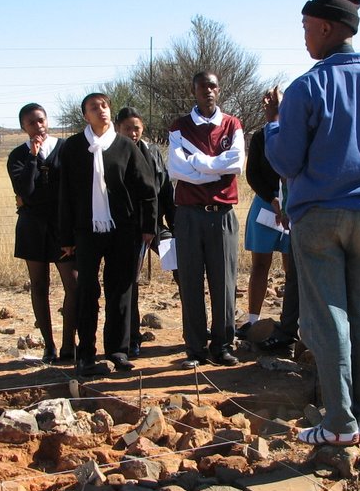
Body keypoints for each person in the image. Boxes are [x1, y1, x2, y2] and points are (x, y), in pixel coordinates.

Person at [264, 0, 360, 447]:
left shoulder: (309, 85)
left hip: (319, 219)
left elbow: (286, 160)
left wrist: (271, 126)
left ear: (327, 27)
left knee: (329, 320)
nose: (304, 37)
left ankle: (339, 424)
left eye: (307, 28)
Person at [58, 93, 156, 377]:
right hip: (86, 231)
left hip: (123, 230)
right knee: (87, 290)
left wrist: (148, 227)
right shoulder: (74, 147)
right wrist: (66, 237)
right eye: (93, 107)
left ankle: (118, 351)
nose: (101, 110)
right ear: (85, 116)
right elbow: (65, 193)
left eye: (104, 105)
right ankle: (86, 354)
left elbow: (146, 189)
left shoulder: (125, 146)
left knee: (121, 290)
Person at [168, 71, 246, 368]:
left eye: (212, 86)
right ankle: (195, 349)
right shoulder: (180, 127)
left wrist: (198, 164)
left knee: (224, 283)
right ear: (194, 90)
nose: (208, 91)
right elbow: (177, 170)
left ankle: (223, 345)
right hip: (188, 216)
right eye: (202, 86)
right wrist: (216, 167)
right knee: (190, 281)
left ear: (219, 89)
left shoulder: (232, 124)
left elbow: (236, 163)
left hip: (222, 215)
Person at [6, 103, 77, 363]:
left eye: (41, 120)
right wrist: (34, 157)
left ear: (47, 120)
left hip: (62, 225)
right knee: (39, 285)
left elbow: (73, 187)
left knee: (74, 284)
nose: (38, 127)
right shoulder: (18, 156)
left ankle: (70, 343)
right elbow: (24, 189)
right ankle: (49, 346)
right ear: (23, 127)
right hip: (32, 226)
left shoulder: (65, 148)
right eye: (31, 123)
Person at [115, 106, 175, 358]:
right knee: (129, 283)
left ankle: (194, 333)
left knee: (181, 263)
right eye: (127, 128)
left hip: (155, 227)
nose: (132, 132)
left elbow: (165, 191)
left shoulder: (152, 152)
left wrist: (174, 226)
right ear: (118, 128)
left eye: (136, 128)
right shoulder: (112, 152)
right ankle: (131, 338)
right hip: (126, 230)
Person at [239, 128, 294, 342]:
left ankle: (288, 325)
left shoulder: (299, 130)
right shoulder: (261, 136)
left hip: (294, 206)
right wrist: (273, 199)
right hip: (265, 205)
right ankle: (253, 322)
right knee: (260, 264)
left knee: (292, 270)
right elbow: (252, 174)